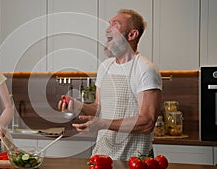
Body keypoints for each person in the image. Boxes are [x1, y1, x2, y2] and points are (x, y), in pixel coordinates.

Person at [58, 9, 162, 160]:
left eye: (115, 24)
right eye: (109, 24)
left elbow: (147, 122)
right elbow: (99, 107)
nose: (108, 28)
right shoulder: (105, 66)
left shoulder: (145, 69)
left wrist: (102, 124)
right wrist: (78, 106)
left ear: (132, 35)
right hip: (101, 157)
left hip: (133, 160)